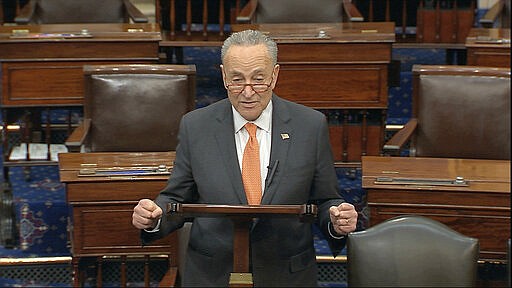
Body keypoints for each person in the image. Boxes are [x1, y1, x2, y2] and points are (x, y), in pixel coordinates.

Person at [132, 29, 358, 287]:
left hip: (286, 275)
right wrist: (154, 217)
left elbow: (325, 198)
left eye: (258, 80)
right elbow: (176, 198)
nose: (247, 92)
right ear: (223, 75)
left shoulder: (310, 125)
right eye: (237, 80)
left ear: (275, 75)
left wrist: (337, 221)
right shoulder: (196, 126)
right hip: (212, 275)